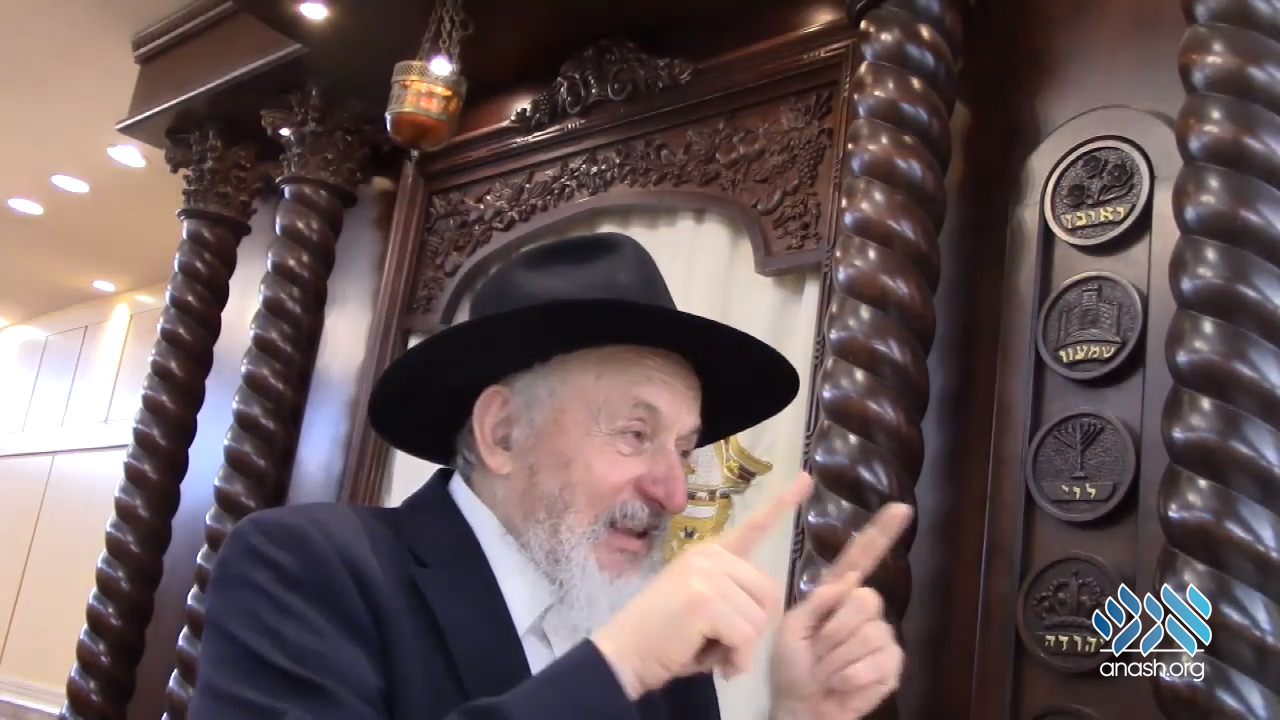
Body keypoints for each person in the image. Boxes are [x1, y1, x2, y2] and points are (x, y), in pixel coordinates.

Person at [190, 232, 910, 720]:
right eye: (635, 434)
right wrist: (618, 665)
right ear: (503, 433)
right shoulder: (309, 569)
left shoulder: (662, 646)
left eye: (684, 449)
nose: (673, 492)